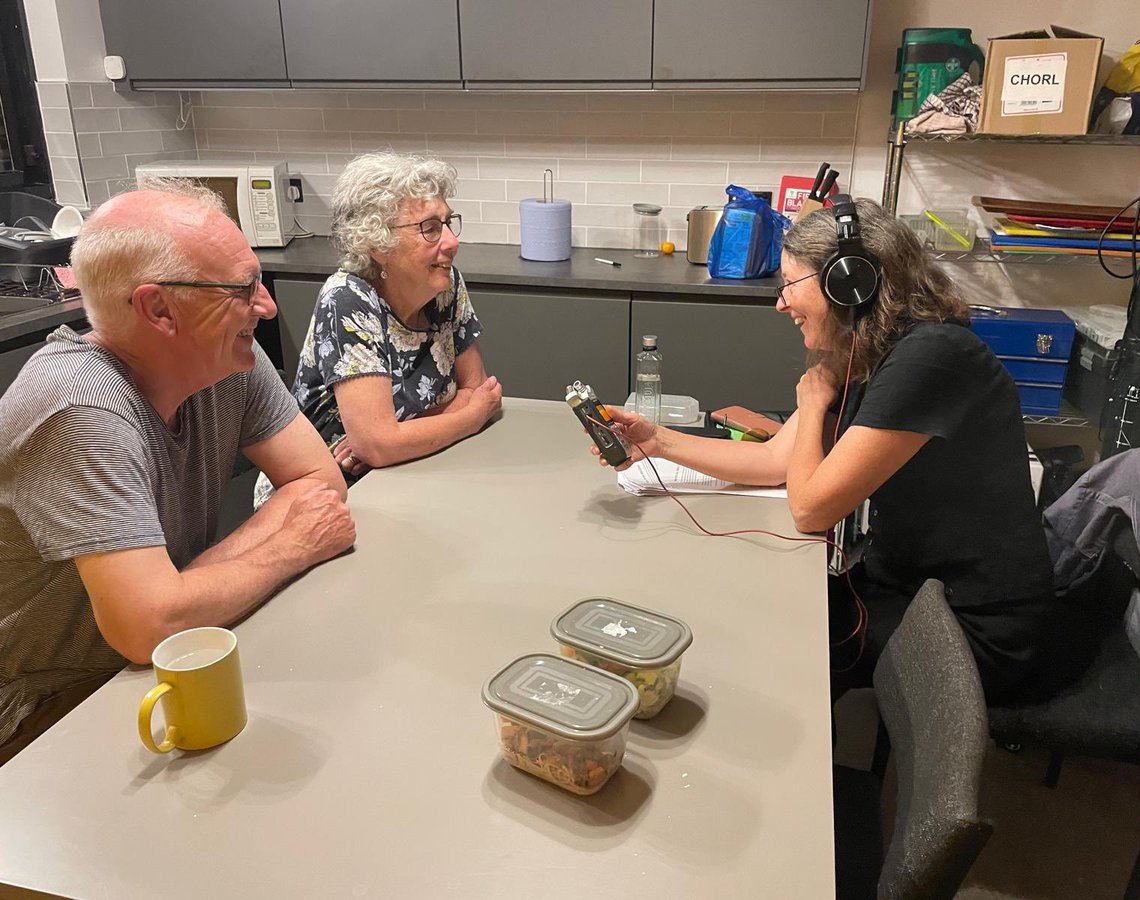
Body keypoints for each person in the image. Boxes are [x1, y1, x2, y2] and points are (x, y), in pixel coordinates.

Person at [590, 198, 1061, 704]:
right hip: (910, 590)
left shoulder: (932, 358)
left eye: (789, 284)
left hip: (971, 630)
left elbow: (811, 508)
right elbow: (776, 463)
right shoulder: (875, 349)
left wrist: (813, 404)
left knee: (767, 655)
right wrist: (657, 442)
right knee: (750, 619)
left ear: (849, 282)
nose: (780, 304)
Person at [0, 180, 357, 765]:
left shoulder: (227, 354)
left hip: (149, 673)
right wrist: (290, 544)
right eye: (242, 288)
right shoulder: (77, 409)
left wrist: (182, 591)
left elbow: (320, 485)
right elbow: (148, 628)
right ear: (158, 309)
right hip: (41, 713)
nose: (265, 306)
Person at [263, 151, 501, 495]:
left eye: (448, 223)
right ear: (376, 243)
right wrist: (470, 416)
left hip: (419, 471)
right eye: (430, 229)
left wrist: (398, 437)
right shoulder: (348, 299)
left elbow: (477, 391)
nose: (452, 242)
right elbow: (380, 444)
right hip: (327, 492)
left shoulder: (445, 286)